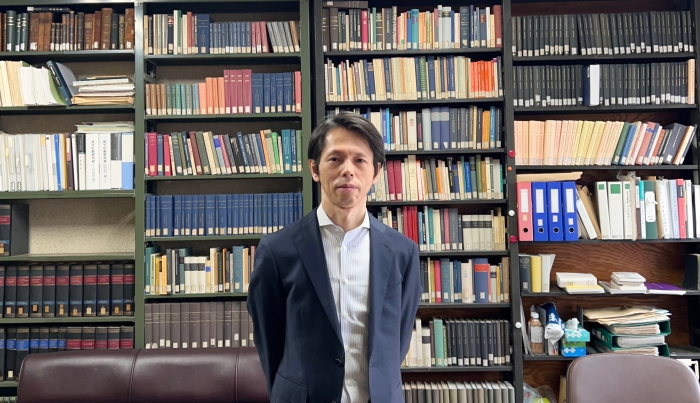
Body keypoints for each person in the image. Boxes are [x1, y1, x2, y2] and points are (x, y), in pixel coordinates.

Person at [247, 112, 422, 403]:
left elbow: (398, 340)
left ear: (376, 172)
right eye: (335, 159)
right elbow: (269, 340)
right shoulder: (277, 251)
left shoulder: (402, 252)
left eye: (360, 160)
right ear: (314, 169)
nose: (347, 170)